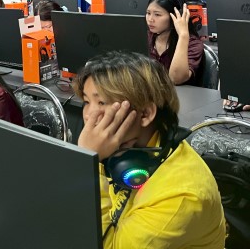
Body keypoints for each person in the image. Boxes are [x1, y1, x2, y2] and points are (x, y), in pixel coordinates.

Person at [75, 51, 225, 248]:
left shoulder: (180, 195)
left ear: (145, 113)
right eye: (87, 102)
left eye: (101, 102)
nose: (88, 115)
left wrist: (88, 162)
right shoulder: (125, 151)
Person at [146, 0, 203, 85]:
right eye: (148, 13)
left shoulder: (193, 44)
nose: (150, 19)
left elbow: (176, 79)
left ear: (175, 16)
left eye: (157, 14)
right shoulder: (147, 37)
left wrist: (183, 36)